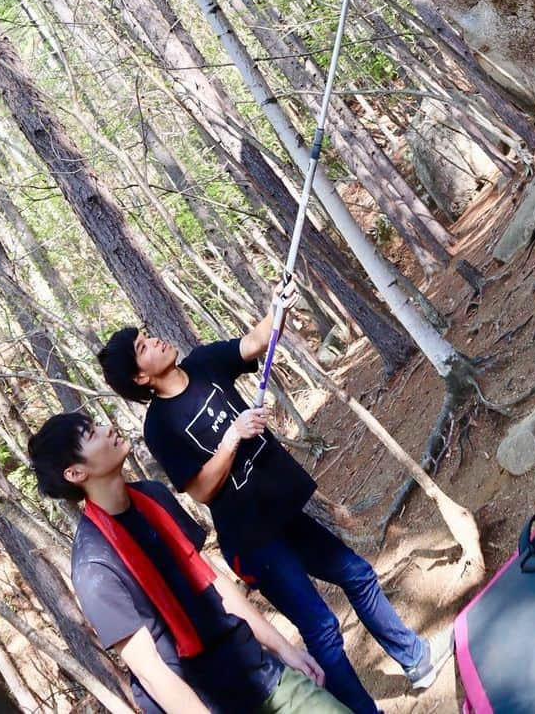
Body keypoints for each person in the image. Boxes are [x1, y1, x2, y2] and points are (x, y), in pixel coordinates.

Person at [98, 284, 455, 712]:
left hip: (282, 509)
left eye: (147, 334)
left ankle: (417, 660)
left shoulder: (205, 364)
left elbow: (255, 342)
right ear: (140, 377)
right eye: (143, 346)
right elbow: (200, 489)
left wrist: (277, 306)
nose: (155, 339)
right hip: (252, 540)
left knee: (357, 574)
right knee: (320, 626)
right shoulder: (160, 427)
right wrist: (231, 439)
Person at [30, 409, 351, 713]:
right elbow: (151, 671)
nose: (107, 428)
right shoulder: (94, 566)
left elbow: (212, 581)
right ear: (75, 473)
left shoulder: (153, 496)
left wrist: (283, 647)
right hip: (201, 700)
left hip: (254, 669)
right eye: (91, 433)